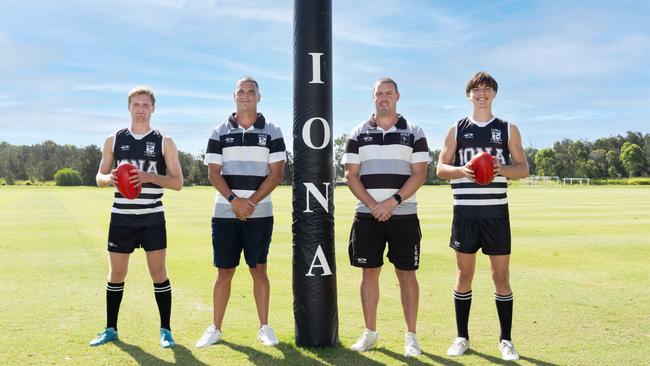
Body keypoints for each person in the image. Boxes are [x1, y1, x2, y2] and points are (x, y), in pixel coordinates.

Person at [436, 71, 529, 361]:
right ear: (468, 95)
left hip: (495, 214)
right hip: (464, 214)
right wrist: (462, 171)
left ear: (494, 94)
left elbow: (523, 168)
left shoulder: (507, 128)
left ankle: (506, 340)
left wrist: (502, 169)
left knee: (500, 277)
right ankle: (462, 337)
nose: (482, 93)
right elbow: (439, 168)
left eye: (487, 89)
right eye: (476, 89)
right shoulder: (456, 129)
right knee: (464, 275)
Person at [342, 78, 430, 357]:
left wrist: (391, 202)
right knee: (369, 273)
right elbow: (350, 175)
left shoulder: (414, 132)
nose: (383, 98)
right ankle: (370, 333)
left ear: (397, 96)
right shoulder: (358, 132)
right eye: (379, 94)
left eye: (388, 93)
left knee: (407, 274)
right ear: (373, 98)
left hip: (403, 214)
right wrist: (373, 204)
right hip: (368, 215)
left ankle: (411, 337)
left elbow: (419, 174)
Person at [195, 76, 286, 348]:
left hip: (260, 212)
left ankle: (264, 327)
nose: (246, 95)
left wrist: (250, 203)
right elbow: (213, 174)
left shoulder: (273, 131)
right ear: (234, 97)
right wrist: (235, 200)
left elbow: (277, 174)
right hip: (225, 211)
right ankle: (216, 328)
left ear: (259, 97)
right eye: (241, 92)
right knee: (224, 271)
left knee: (259, 269)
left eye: (251, 92)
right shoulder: (219, 131)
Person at [90, 86, 184, 348]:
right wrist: (109, 179)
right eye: (136, 105)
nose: (141, 109)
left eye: (145, 105)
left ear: (153, 108)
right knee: (116, 274)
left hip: (152, 218)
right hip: (121, 218)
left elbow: (178, 182)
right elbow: (99, 176)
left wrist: (149, 177)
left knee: (158, 273)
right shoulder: (114, 139)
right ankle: (111, 329)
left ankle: (166, 330)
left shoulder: (164, 141)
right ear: (129, 107)